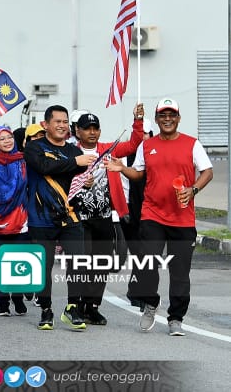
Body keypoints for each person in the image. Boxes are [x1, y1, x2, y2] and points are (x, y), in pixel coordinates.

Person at [106, 98, 213, 337]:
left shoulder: (192, 144)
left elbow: (208, 171)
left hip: (182, 218)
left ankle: (176, 318)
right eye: (162, 115)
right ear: (156, 119)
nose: (167, 119)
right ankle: (150, 304)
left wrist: (193, 189)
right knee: (147, 264)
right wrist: (122, 168)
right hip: (152, 214)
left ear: (178, 118)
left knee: (179, 271)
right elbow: (138, 173)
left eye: (171, 115)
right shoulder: (147, 145)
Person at [69, 105, 145, 325]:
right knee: (82, 263)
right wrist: (82, 182)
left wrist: (137, 121)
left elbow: (133, 145)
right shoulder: (70, 152)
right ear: (78, 131)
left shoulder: (107, 149)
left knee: (101, 263)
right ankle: (78, 304)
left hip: (104, 217)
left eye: (96, 128)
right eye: (87, 128)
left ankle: (93, 306)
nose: (92, 132)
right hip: (79, 219)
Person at [23, 105, 96, 331]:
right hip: (41, 216)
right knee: (43, 267)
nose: (62, 126)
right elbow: (45, 167)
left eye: (65, 122)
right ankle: (46, 309)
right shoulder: (34, 147)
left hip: (70, 216)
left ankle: (72, 307)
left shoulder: (74, 151)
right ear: (46, 124)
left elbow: (76, 177)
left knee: (77, 262)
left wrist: (86, 180)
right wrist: (76, 164)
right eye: (57, 121)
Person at [0, 126, 30, 317]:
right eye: (1, 139)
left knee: (20, 259)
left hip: (21, 218)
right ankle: (2, 301)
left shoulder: (23, 161)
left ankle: (17, 297)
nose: (7, 141)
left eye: (9, 137)